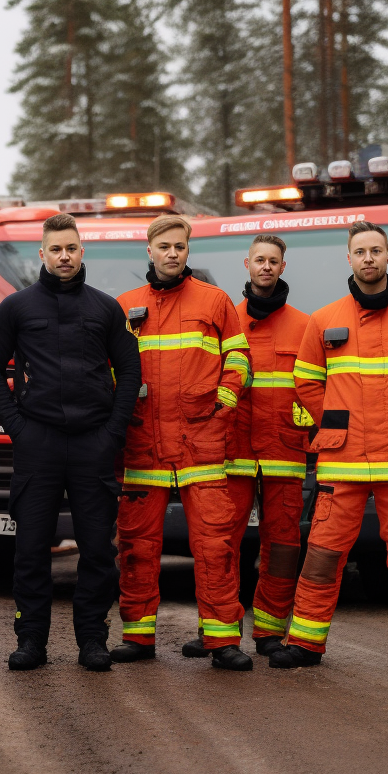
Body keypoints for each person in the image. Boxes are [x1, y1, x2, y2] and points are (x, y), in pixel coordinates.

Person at [270, 220, 388, 671]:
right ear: (349, 258)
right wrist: (335, 420)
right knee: (321, 558)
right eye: (360, 251)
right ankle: (305, 644)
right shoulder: (324, 319)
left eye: (376, 250)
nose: (368, 258)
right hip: (342, 461)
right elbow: (306, 382)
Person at [0, 213, 141, 672]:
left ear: (81, 251)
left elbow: (130, 370)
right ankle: (31, 641)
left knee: (96, 551)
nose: (64, 256)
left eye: (71, 248)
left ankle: (92, 641)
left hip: (94, 443)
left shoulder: (106, 309)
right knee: (31, 549)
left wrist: (113, 430)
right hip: (39, 444)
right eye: (55, 249)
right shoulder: (17, 307)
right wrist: (17, 427)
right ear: (43, 254)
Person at [110, 215, 254, 671]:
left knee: (215, 546)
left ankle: (222, 641)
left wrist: (223, 404)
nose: (174, 253)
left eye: (181, 246)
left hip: (202, 444)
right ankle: (137, 636)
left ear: (189, 251)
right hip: (143, 444)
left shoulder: (215, 301)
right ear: (149, 251)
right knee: (137, 545)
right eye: (165, 246)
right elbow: (110, 370)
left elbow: (239, 358)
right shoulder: (124, 306)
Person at [193, 234, 311, 661]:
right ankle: (214, 629)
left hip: (284, 452)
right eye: (259, 260)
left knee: (282, 547)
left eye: (273, 261)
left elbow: (317, 389)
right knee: (220, 544)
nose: (265, 267)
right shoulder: (226, 319)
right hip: (232, 451)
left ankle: (269, 631)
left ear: (283, 266)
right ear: (247, 264)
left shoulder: (305, 326)